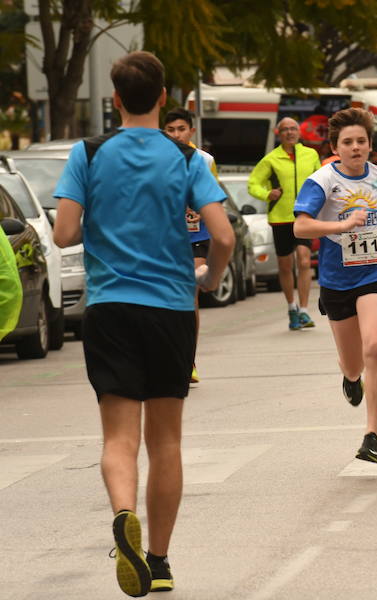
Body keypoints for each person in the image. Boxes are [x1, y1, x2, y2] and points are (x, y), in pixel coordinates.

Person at [52, 51, 234, 597]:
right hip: (171, 309)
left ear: (114, 100)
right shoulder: (186, 159)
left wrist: (107, 226)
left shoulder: (87, 153)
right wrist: (207, 277)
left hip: (110, 308)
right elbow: (222, 237)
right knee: (167, 442)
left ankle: (123, 514)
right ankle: (157, 559)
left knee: (118, 437)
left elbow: (63, 234)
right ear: (161, 98)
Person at [293, 107, 377, 463]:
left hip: (376, 273)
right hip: (338, 280)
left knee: (376, 346)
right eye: (348, 142)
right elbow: (301, 227)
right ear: (335, 147)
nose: (356, 148)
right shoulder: (322, 181)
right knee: (354, 363)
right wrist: (339, 227)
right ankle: (351, 377)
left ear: (371, 144)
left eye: (361, 141)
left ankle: (372, 434)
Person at [163, 107, 220, 384]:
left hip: (197, 236)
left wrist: (201, 208)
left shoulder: (204, 159)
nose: (177, 135)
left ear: (191, 131)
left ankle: (189, 359)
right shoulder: (157, 159)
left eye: (181, 129)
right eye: (171, 130)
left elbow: (216, 197)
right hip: (168, 238)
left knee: (190, 294)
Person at [248, 117, 320, 330]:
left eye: (293, 128)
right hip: (280, 218)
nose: (290, 132)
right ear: (279, 133)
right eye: (285, 129)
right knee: (285, 265)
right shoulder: (271, 159)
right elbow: (253, 184)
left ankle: (305, 311)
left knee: (305, 261)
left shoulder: (311, 154)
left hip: (304, 216)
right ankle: (291, 307)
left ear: (299, 132)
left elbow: (320, 181)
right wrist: (267, 194)